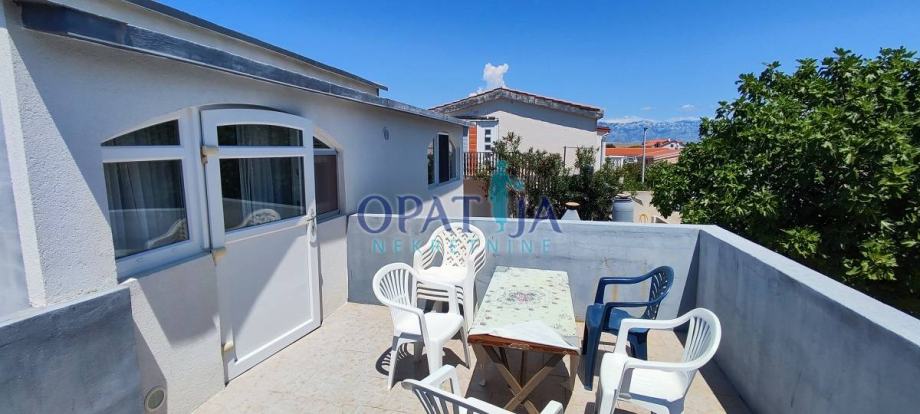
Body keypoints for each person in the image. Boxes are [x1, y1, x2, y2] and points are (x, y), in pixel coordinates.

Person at [488, 160, 524, 232]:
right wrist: (491, 195)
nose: (502, 168)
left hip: (503, 195)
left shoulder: (505, 176)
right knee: (497, 210)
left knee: (502, 210)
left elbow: (510, 185)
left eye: (503, 167)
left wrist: (517, 191)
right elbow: (491, 186)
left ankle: (502, 227)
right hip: (497, 195)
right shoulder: (495, 176)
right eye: (500, 167)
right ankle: (499, 226)